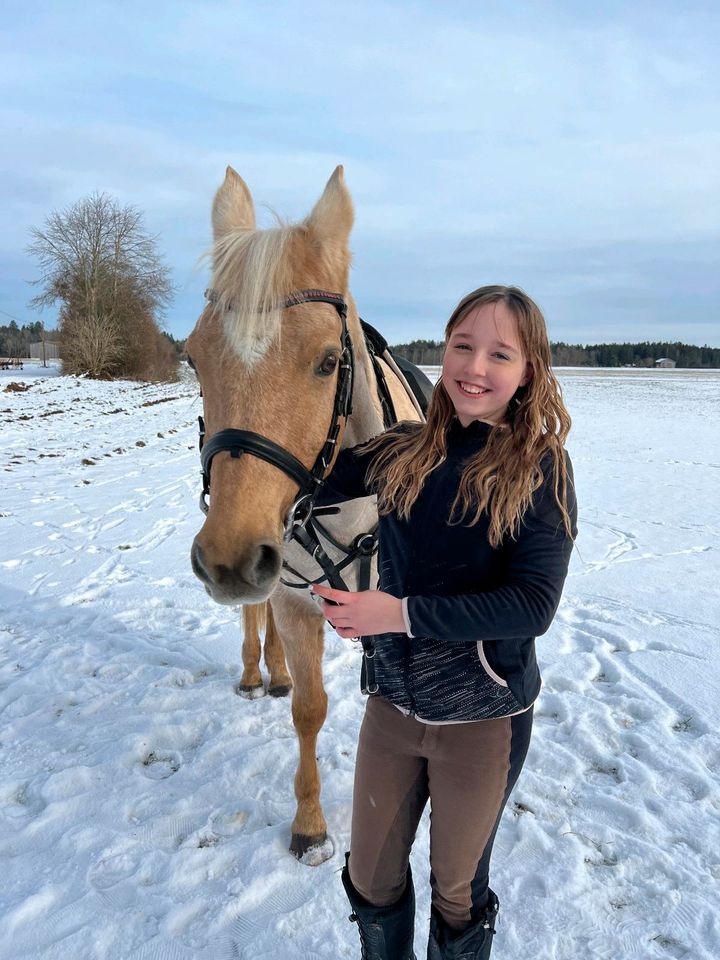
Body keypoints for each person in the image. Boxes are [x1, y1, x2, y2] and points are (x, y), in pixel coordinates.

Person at [311, 285, 577, 960]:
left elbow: (530, 607)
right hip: (393, 710)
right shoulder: (402, 450)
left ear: (528, 373)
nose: (475, 366)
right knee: (369, 879)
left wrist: (395, 613)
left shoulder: (541, 467)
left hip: (483, 719)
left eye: (499, 353)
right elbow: (304, 480)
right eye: (463, 345)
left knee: (457, 888)